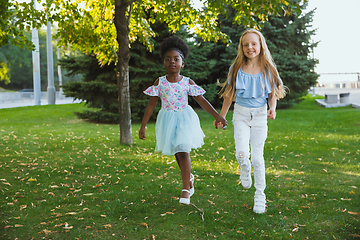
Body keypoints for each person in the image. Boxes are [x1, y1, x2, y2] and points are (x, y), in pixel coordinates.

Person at [139, 35, 227, 205]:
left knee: (183, 150)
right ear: (164, 63)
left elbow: (201, 100)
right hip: (167, 120)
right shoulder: (160, 82)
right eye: (168, 59)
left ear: (182, 63)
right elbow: (151, 105)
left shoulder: (187, 82)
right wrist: (143, 126)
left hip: (185, 119)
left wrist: (217, 116)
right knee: (177, 153)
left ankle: (186, 189)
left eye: (176, 59)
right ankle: (189, 179)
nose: (172, 62)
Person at [217, 29, 287, 214]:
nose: (250, 47)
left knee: (257, 157)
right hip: (240, 114)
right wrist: (222, 116)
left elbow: (273, 94)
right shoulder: (237, 68)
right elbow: (229, 94)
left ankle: (260, 196)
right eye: (246, 44)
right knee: (241, 154)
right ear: (242, 47)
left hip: (260, 115)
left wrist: (272, 108)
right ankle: (245, 170)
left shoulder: (269, 68)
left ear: (260, 45)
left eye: (253, 44)